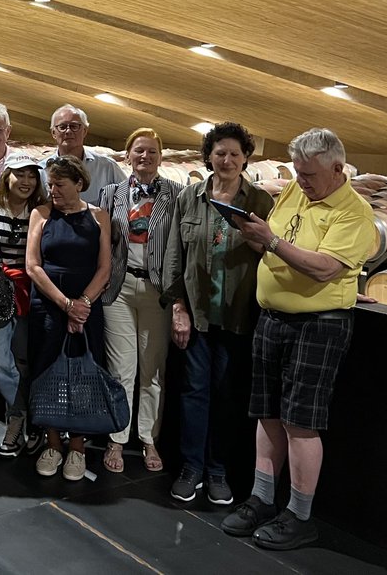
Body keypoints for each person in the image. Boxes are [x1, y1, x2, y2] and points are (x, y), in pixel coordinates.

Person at [224, 128, 375, 550]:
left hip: (318, 324)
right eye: (297, 172)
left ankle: (300, 514)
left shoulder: (353, 212)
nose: (301, 180)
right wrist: (258, 236)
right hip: (274, 318)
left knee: (301, 423)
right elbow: (278, 242)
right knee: (267, 412)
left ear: (337, 168)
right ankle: (262, 498)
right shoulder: (295, 191)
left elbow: (325, 267)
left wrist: (269, 241)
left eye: (308, 174)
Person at [163, 122, 273, 505]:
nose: (226, 160)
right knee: (194, 392)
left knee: (228, 396)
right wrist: (178, 306)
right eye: (220, 152)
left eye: (235, 154)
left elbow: (275, 255)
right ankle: (191, 468)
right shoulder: (189, 197)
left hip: (239, 316)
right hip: (197, 314)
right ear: (208, 155)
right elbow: (175, 255)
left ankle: (218, 470)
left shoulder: (260, 201)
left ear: (246, 158)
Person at [26, 156, 113, 481]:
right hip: (50, 303)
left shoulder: (99, 216)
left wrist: (83, 303)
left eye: (59, 185)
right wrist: (66, 305)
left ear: (78, 184)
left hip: (86, 303)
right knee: (48, 369)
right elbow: (33, 265)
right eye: (50, 185)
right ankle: (52, 442)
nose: (53, 192)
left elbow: (105, 266)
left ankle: (77, 444)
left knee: (82, 373)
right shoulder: (42, 214)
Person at [101, 128, 180, 475]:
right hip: (119, 287)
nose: (144, 157)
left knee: (153, 370)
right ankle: (117, 436)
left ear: (160, 157)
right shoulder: (111, 194)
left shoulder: (177, 194)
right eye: (139, 151)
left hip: (156, 291)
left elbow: (181, 247)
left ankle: (149, 437)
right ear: (127, 155)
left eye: (151, 152)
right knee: (120, 370)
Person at [0, 153, 47, 457]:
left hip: (32, 290)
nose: (27, 181)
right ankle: (23, 414)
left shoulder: (43, 210)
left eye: (32, 175)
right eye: (20, 175)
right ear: (7, 177)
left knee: (24, 361)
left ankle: (19, 425)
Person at [43, 104, 125, 203]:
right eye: (62, 127)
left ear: (85, 131)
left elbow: (128, 197)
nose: (68, 131)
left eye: (74, 126)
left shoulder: (107, 167)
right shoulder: (41, 170)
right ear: (53, 133)